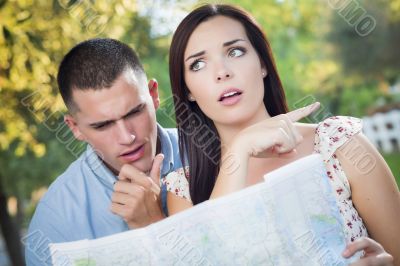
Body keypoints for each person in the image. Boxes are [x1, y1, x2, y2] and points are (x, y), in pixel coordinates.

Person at [165, 4, 400, 265]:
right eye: (198, 64)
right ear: (188, 91)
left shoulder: (338, 144)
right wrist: (240, 149)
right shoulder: (184, 190)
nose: (222, 72)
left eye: (235, 51)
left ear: (263, 64)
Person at [24, 38, 182, 265]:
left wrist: (153, 226)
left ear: (154, 95)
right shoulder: (56, 220)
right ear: (75, 128)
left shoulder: (216, 154)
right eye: (102, 125)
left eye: (134, 112)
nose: (127, 137)